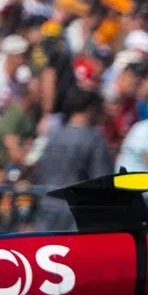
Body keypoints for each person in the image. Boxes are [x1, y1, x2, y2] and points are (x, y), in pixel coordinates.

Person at [34, 89, 114, 228]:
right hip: (77, 213)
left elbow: (39, 170)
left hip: (47, 207)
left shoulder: (53, 137)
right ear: (90, 109)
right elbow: (103, 180)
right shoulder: (93, 140)